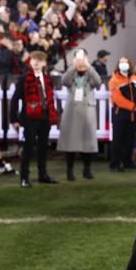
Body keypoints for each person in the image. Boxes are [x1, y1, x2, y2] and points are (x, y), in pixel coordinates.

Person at [10, 50, 59, 187]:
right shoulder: (24, 79)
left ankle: (42, 174)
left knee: (43, 147)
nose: (36, 62)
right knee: (28, 148)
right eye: (33, 59)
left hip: (45, 118)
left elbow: (50, 99)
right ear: (30, 62)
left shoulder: (47, 79)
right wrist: (14, 119)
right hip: (30, 118)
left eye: (39, 60)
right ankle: (24, 177)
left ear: (44, 63)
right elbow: (15, 99)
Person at [57, 49, 101, 181]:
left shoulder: (90, 72)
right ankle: (69, 170)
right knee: (70, 142)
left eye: (83, 58)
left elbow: (98, 82)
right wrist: (73, 67)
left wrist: (89, 67)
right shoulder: (71, 72)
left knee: (88, 142)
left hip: (87, 111)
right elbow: (64, 81)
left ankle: (87, 169)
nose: (81, 61)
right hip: (72, 112)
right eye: (78, 58)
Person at [109, 56, 136, 172]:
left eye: (126, 62)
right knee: (118, 140)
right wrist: (133, 106)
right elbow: (117, 99)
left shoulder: (135, 78)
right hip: (120, 114)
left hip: (133, 115)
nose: (124, 64)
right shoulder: (114, 80)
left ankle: (128, 161)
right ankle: (115, 163)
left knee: (130, 139)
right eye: (121, 62)